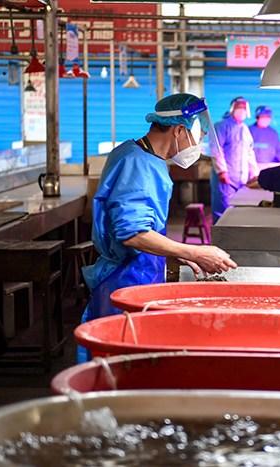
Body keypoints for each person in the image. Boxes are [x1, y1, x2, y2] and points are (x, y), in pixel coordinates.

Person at [78, 93, 237, 361]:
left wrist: (172, 254)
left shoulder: (140, 156)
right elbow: (133, 234)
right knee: (121, 360)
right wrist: (194, 252)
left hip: (139, 271)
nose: (197, 145)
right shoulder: (137, 163)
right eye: (197, 136)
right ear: (178, 130)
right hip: (125, 279)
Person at [211, 96, 259, 223]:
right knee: (223, 211)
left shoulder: (245, 129)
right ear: (232, 109)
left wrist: (254, 173)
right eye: (239, 107)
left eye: (244, 107)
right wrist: (221, 171)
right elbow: (216, 149)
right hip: (226, 178)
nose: (241, 110)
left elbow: (250, 152)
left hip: (241, 179)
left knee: (238, 212)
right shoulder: (221, 126)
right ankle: (220, 235)